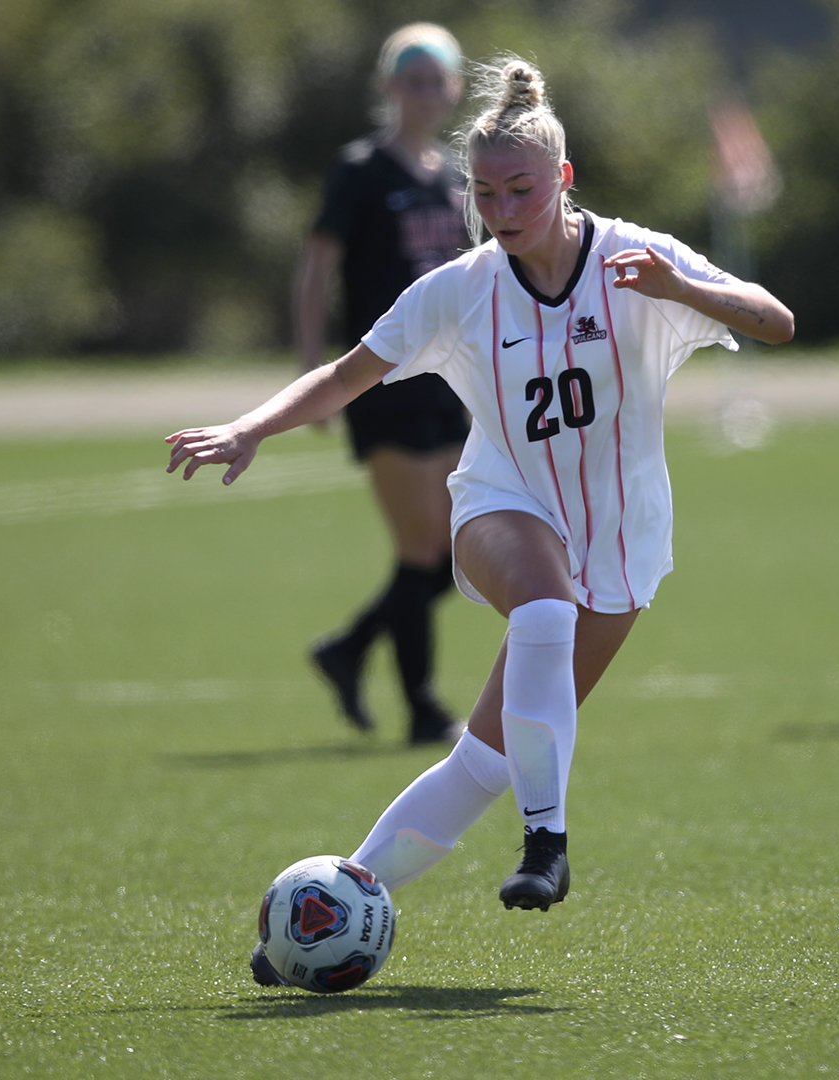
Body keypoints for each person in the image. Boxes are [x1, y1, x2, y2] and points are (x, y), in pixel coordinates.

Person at [164, 57, 793, 981]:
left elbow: (775, 320)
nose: (502, 208)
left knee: (488, 759)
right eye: (486, 191)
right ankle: (548, 844)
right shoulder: (460, 289)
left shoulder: (632, 259)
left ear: (563, 180)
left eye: (522, 190)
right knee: (544, 607)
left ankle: (329, 903)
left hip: (622, 538)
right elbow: (346, 373)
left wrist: (683, 289)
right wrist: (249, 427)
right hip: (504, 505)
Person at [296, 24, 473, 746]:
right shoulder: (361, 170)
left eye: (439, 79)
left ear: (456, 88)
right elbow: (316, 271)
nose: (427, 92)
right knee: (422, 545)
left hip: (452, 382)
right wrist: (314, 371)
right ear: (389, 86)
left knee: (463, 547)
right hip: (385, 379)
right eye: (414, 77)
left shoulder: (460, 174)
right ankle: (424, 707)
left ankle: (351, 645)